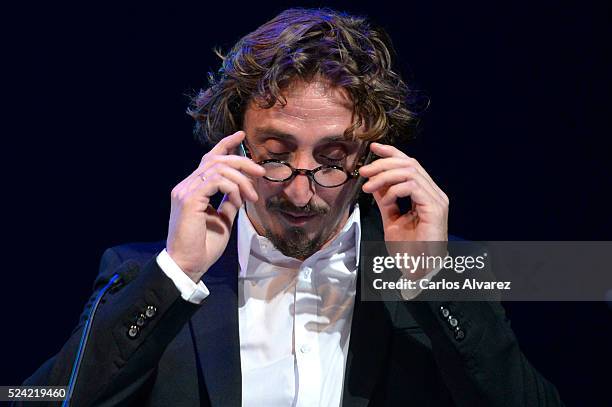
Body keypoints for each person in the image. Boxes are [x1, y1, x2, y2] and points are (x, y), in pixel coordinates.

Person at [21, 8, 563, 406]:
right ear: (235, 146)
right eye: (276, 156)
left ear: (373, 157)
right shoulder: (142, 273)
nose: (300, 193)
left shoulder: (449, 271)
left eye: (331, 160)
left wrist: (432, 279)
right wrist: (177, 273)